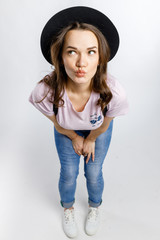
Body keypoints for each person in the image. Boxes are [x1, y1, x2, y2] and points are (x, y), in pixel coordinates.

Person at [29, 6, 129, 238]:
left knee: (93, 172)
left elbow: (105, 123)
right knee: (68, 172)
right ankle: (68, 208)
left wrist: (91, 138)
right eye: (72, 52)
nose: (81, 62)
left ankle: (94, 207)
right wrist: (74, 136)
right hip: (67, 129)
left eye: (91, 52)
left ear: (101, 56)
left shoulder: (114, 92)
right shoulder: (45, 91)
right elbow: (56, 122)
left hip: (98, 130)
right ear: (60, 56)